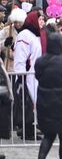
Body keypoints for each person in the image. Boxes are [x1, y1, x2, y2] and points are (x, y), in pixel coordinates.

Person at [13, 10, 45, 139]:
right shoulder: (25, 35)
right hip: (26, 76)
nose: (42, 21)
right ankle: (27, 130)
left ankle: (31, 128)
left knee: (33, 102)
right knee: (26, 103)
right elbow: (21, 57)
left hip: (36, 75)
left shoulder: (36, 35)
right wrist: (21, 75)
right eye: (39, 19)